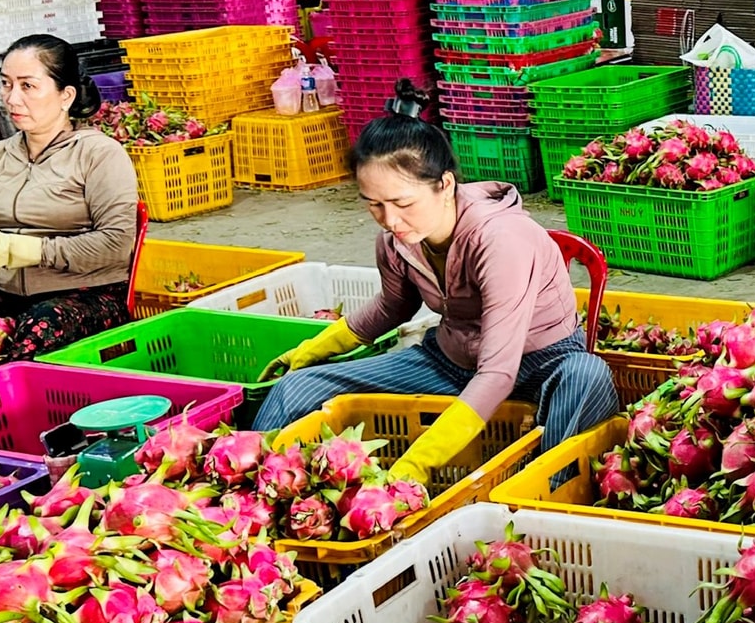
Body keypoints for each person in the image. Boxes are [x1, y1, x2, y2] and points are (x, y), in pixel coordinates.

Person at [253, 92, 619, 480]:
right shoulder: (397, 240)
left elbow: (497, 373)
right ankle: (239, 491)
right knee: (297, 388)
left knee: (586, 376)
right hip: (450, 361)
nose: (389, 219)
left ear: (444, 185)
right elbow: (393, 307)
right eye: (374, 204)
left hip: (540, 366)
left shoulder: (501, 239)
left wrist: (416, 463)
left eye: (402, 202)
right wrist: (311, 351)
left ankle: (541, 500)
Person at [0, 35, 139, 359]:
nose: (12, 99)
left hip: (84, 295)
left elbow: (117, 244)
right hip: (7, 291)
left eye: (27, 86)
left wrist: (30, 250)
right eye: (6, 84)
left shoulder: (99, 153)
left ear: (66, 95)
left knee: (38, 327)